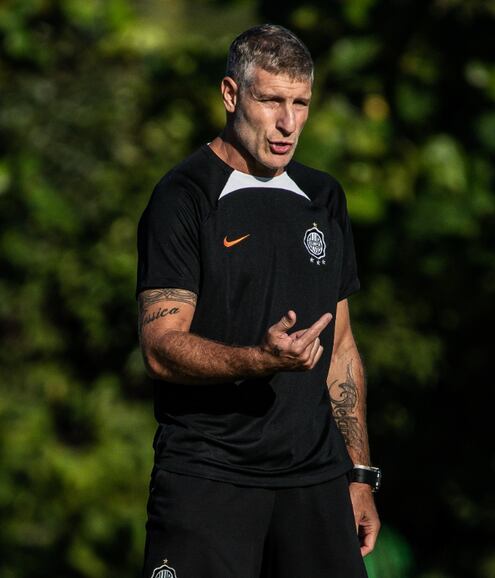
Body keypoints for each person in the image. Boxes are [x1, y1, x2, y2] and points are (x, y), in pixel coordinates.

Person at [136, 24, 380, 578]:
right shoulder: (185, 197)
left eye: (300, 103)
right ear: (230, 94)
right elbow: (160, 346)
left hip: (314, 479)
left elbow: (340, 348)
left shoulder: (323, 197)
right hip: (208, 476)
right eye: (270, 100)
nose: (288, 122)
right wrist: (258, 359)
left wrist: (360, 475)